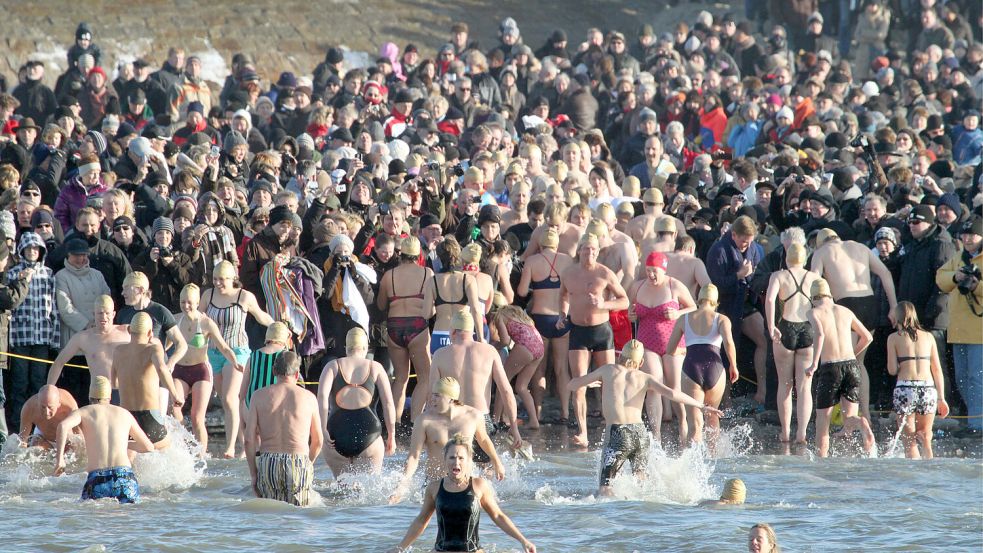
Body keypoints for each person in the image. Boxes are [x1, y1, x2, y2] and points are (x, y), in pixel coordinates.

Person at [567, 340, 722, 496]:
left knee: (605, 487)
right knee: (642, 485)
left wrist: (587, 383)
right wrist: (701, 406)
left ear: (620, 356)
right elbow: (673, 393)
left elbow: (572, 385)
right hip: (640, 434)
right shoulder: (645, 377)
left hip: (618, 433)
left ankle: (617, 517)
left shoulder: (608, 370)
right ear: (641, 362)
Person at [390, 434, 536, 553]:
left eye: (461, 458)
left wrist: (523, 540)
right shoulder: (434, 488)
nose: (456, 462)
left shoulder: (479, 486)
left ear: (469, 460)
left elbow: (498, 516)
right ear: (445, 459)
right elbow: (421, 521)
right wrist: (400, 547)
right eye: (452, 458)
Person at [811, 229, 898, 421]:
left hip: (846, 305)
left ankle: (848, 420)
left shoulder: (822, 252)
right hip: (870, 304)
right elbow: (885, 273)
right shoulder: (861, 247)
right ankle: (864, 414)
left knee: (843, 364)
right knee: (858, 363)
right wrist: (893, 306)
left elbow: (814, 282)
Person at [559, 233, 629, 446]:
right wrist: (562, 315)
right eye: (586, 249)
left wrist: (603, 304)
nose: (590, 253)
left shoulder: (604, 273)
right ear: (579, 250)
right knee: (579, 381)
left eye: (594, 250)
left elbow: (624, 300)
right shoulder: (568, 273)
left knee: (609, 382)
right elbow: (562, 296)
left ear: (598, 252)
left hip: (601, 331)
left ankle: (613, 428)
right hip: (578, 331)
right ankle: (583, 433)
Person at [389, 377, 505, 504]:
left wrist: (497, 462)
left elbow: (484, 440)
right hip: (435, 484)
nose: (432, 399)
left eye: (437, 396)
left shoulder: (473, 416)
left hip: (464, 483)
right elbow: (413, 457)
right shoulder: (424, 420)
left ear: (451, 398)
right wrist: (401, 486)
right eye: (432, 395)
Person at [202, 260, 274, 458]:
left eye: (222, 280)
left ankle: (230, 447)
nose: (218, 283)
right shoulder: (208, 296)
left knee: (229, 397)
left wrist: (278, 328)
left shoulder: (244, 296)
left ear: (233, 279)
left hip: (237, 352)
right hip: (214, 352)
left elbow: (261, 317)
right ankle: (246, 443)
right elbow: (196, 319)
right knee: (229, 403)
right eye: (215, 279)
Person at [430, 310, 523, 460]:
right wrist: (514, 427)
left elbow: (432, 394)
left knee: (452, 469)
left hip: (452, 419)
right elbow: (506, 391)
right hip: (480, 419)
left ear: (452, 330)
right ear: (472, 330)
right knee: (484, 473)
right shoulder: (489, 352)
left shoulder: (440, 354)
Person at [627, 251, 696, 443]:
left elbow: (694, 307)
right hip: (646, 343)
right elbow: (630, 309)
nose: (651, 275)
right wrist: (630, 315)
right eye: (648, 271)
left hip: (672, 343)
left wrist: (678, 313)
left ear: (663, 270)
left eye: (655, 271)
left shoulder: (674, 285)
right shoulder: (638, 286)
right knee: (653, 386)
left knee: (674, 387)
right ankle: (656, 435)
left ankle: (683, 424)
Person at [53, 376, 154, 504]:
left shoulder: (83, 412)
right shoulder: (124, 413)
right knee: (127, 520)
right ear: (110, 397)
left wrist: (60, 459)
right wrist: (121, 442)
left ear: (90, 397)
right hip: (125, 477)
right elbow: (148, 447)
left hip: (97, 479)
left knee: (94, 520)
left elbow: (63, 426)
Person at [805, 279, 876, 458]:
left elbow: (820, 335)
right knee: (849, 420)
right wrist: (852, 353)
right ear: (829, 294)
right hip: (852, 366)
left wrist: (814, 364)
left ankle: (821, 459)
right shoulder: (845, 311)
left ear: (813, 297)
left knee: (823, 421)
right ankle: (861, 423)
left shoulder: (814, 312)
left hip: (830, 368)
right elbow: (867, 337)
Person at [244, 352, 323, 507]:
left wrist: (254, 474)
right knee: (300, 517)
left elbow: (248, 440)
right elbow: (318, 441)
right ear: (297, 374)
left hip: (268, 462)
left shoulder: (258, 396)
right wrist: (308, 464)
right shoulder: (308, 398)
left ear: (274, 371)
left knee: (270, 517)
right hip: (298, 461)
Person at [171, 284, 243, 453]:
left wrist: (234, 362)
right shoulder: (175, 320)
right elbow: (165, 345)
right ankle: (184, 444)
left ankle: (201, 455)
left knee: (197, 417)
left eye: (189, 302)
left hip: (200, 371)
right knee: (174, 410)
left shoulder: (206, 323)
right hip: (180, 370)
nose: (186, 306)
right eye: (183, 302)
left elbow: (224, 347)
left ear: (197, 302)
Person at [665, 285, 738, 448]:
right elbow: (729, 343)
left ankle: (694, 465)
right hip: (715, 368)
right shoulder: (722, 319)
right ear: (716, 302)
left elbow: (669, 350)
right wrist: (734, 365)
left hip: (691, 367)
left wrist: (686, 350)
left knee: (694, 422)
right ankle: (714, 461)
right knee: (712, 417)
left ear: (698, 300)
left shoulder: (684, 319)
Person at [317, 327, 396, 476]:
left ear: (346, 348)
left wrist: (323, 430)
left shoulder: (332, 366)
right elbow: (388, 404)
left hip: (335, 438)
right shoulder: (376, 367)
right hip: (370, 438)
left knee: (341, 493)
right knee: (370, 492)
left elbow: (321, 399)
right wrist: (391, 434)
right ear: (366, 347)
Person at [516, 227, 575, 424]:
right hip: (562, 318)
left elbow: (522, 292)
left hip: (540, 320)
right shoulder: (568, 260)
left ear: (540, 244)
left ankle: (538, 412)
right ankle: (566, 412)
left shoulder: (532, 261)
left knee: (539, 370)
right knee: (561, 369)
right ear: (556, 243)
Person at [764, 244, 821, 444]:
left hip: (785, 328)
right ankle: (802, 434)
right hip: (808, 329)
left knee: (785, 385)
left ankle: (786, 433)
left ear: (787, 258)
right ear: (805, 259)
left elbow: (770, 300)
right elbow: (825, 304)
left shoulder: (778, 276)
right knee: (805, 387)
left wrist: (771, 326)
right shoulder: (815, 278)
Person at [377, 236, 434, 421]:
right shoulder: (427, 273)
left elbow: (380, 305)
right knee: (425, 378)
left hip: (394, 327)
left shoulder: (389, 275)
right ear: (418, 255)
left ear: (400, 254)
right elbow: (431, 308)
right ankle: (415, 423)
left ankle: (393, 425)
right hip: (417, 326)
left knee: (401, 378)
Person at [935, 217, 982, 432]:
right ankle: (972, 421)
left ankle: (977, 423)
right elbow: (940, 278)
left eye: (972, 235)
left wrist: (976, 285)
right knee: (962, 379)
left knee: (977, 378)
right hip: (958, 330)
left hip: (978, 331)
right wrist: (956, 276)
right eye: (964, 235)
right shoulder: (958, 257)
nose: (967, 239)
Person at [887, 302, 950, 459]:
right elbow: (937, 370)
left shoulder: (893, 338)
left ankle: (914, 481)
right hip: (927, 389)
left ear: (898, 317)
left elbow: (892, 370)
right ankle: (929, 474)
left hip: (905, 388)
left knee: (910, 442)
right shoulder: (929, 337)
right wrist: (942, 398)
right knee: (925, 436)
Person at [113, 312, 184, 451]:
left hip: (127, 418)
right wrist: (175, 395)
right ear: (150, 332)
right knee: (168, 450)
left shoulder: (118, 351)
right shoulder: (153, 349)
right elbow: (163, 370)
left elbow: (113, 383)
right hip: (150, 417)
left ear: (129, 330)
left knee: (131, 456)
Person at [47, 295, 129, 398]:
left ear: (113, 314)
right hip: (99, 394)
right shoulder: (83, 338)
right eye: (100, 313)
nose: (103, 317)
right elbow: (59, 362)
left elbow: (150, 342)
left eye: (107, 313)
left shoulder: (126, 331)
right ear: (93, 314)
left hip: (125, 391)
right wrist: (49, 389)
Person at [489, 305, 545, 429]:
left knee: (502, 382)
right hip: (539, 347)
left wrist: (491, 347)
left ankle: (495, 421)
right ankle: (534, 421)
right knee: (521, 387)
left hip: (525, 346)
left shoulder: (499, 316)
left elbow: (505, 341)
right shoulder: (522, 317)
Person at [17, 385, 78, 449]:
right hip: (43, 438)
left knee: (75, 447)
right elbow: (22, 440)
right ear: (38, 403)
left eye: (50, 407)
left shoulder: (70, 406)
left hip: (67, 439)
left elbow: (80, 434)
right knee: (36, 449)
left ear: (58, 404)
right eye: (43, 407)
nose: (46, 412)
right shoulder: (29, 408)